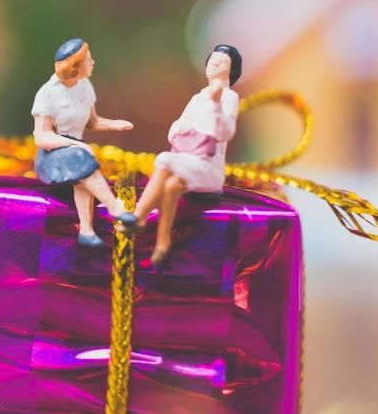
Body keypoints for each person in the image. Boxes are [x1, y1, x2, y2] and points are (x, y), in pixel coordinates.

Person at [134, 43, 242, 268]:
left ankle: (139, 217)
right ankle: (163, 242)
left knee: (164, 160)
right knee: (173, 186)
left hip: (208, 168)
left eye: (221, 62)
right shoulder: (196, 98)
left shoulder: (229, 97)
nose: (215, 63)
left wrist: (215, 105)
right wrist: (180, 129)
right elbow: (175, 129)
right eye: (212, 59)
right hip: (189, 160)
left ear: (231, 71)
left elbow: (226, 132)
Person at [31, 38, 135, 247]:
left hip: (75, 151)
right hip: (53, 153)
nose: (93, 62)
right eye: (88, 60)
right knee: (81, 158)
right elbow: (41, 137)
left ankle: (86, 231)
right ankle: (115, 209)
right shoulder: (48, 93)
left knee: (82, 169)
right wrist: (76, 145)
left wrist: (113, 124)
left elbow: (92, 122)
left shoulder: (85, 85)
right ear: (75, 67)